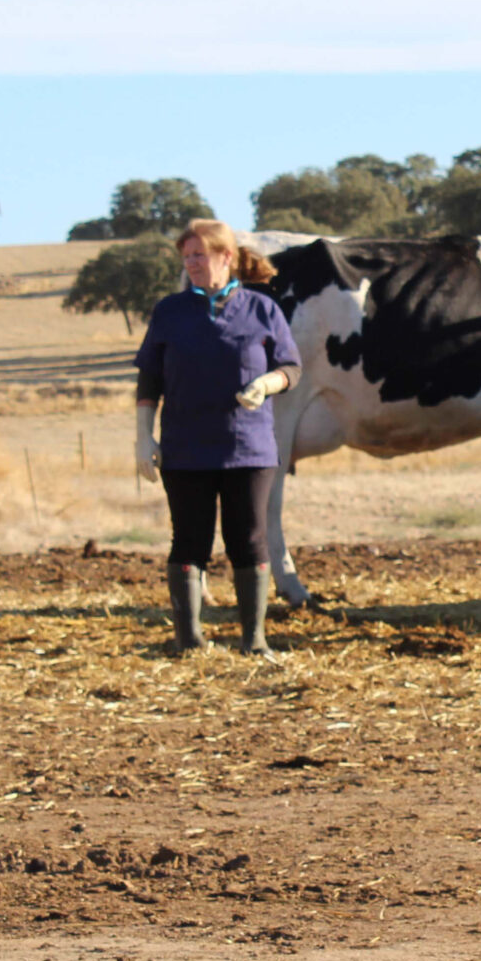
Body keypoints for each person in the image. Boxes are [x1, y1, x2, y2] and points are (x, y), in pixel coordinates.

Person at [133, 219, 301, 655]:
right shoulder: (169, 312)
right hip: (185, 447)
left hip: (249, 448)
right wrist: (143, 437)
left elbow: (292, 369)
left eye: (199, 255)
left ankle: (254, 642)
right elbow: (150, 378)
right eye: (186, 256)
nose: (190, 263)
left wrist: (267, 384)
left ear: (226, 257)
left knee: (248, 539)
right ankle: (188, 641)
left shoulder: (262, 308)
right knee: (189, 539)